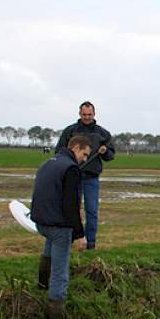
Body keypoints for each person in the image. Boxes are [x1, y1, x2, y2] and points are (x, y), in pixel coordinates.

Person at [30, 135, 91, 319]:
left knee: (49, 251)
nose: (85, 159)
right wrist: (80, 235)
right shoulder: (71, 169)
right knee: (60, 272)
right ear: (76, 148)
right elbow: (71, 205)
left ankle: (41, 287)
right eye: (85, 154)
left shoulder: (48, 163)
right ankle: (56, 317)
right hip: (58, 226)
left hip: (41, 222)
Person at [55, 101, 115, 250]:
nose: (87, 117)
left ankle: (91, 243)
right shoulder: (70, 131)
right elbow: (59, 151)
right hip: (72, 176)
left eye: (89, 114)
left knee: (92, 211)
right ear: (79, 114)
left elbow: (111, 155)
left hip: (91, 178)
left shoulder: (103, 133)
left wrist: (105, 151)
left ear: (94, 114)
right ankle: (68, 240)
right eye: (84, 114)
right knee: (70, 209)